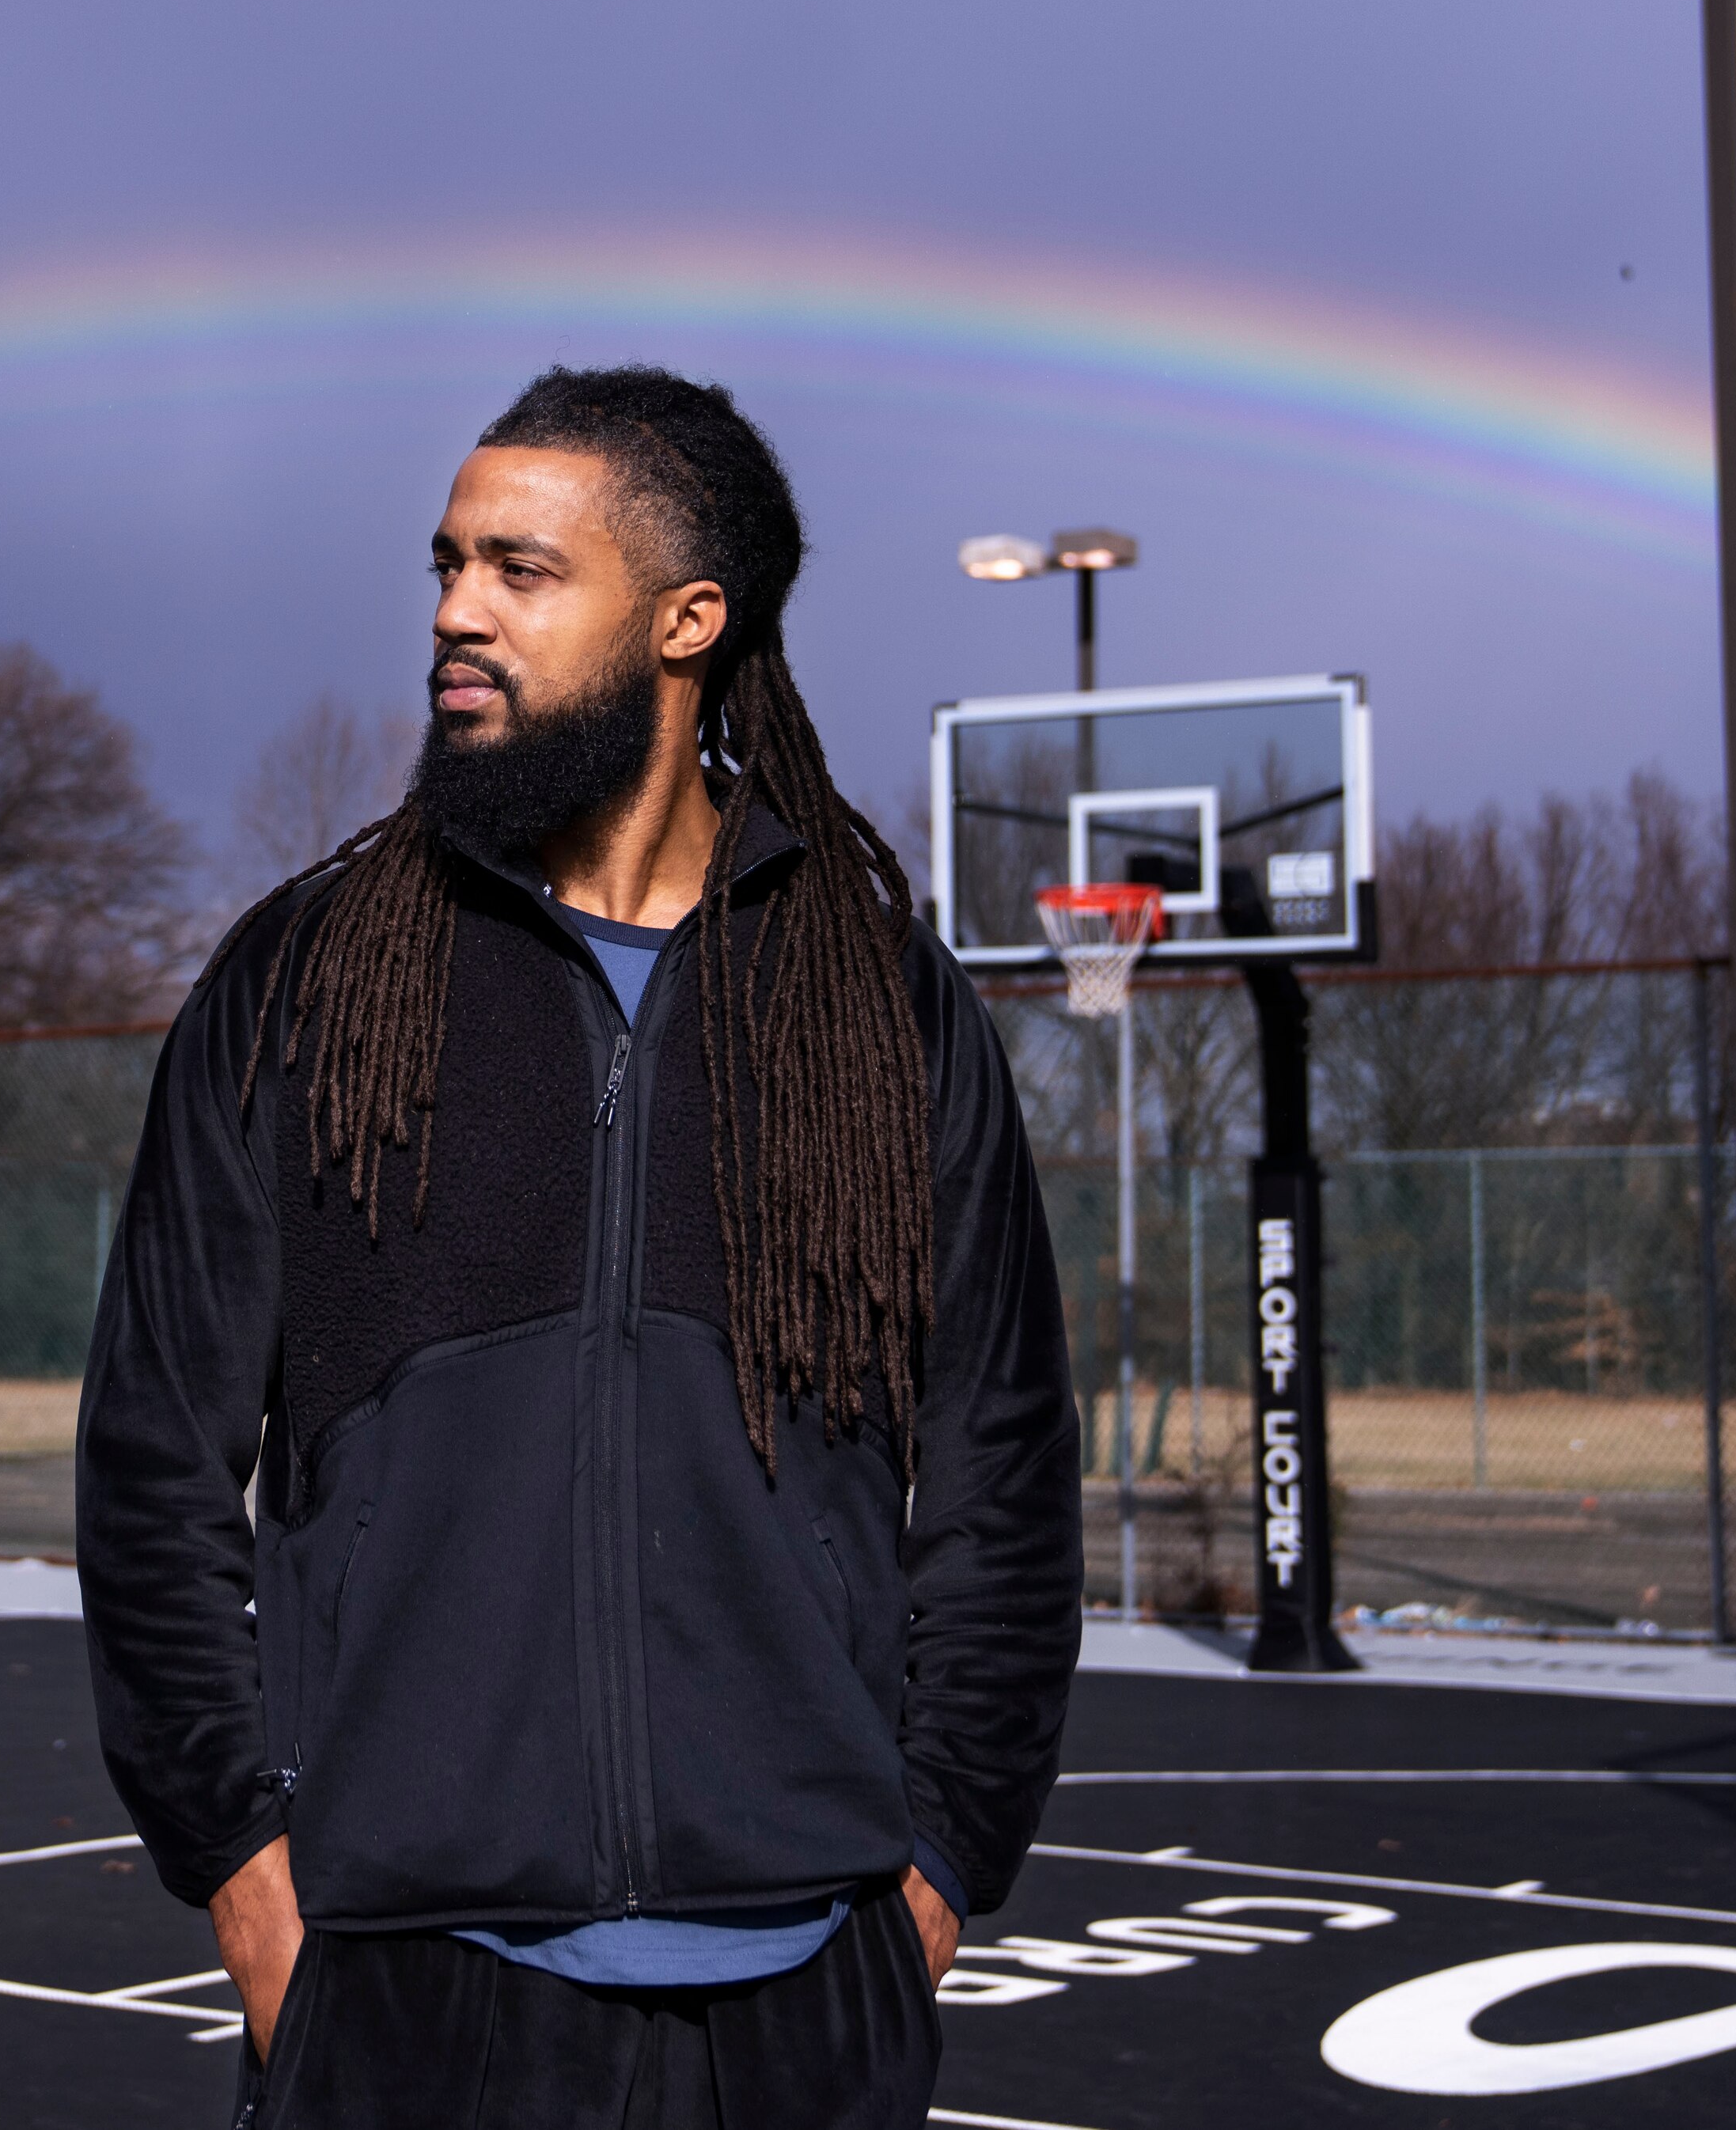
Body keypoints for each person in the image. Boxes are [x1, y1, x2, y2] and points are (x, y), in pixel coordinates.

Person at [79, 365, 1084, 2128]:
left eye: (522, 571)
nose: (458, 613)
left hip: (808, 1989)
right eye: (447, 566)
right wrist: (247, 1878)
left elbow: (1000, 1478)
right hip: (399, 1984)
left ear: (688, 619)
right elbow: (153, 1463)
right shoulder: (311, 979)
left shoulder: (877, 1012)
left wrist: (929, 1878)